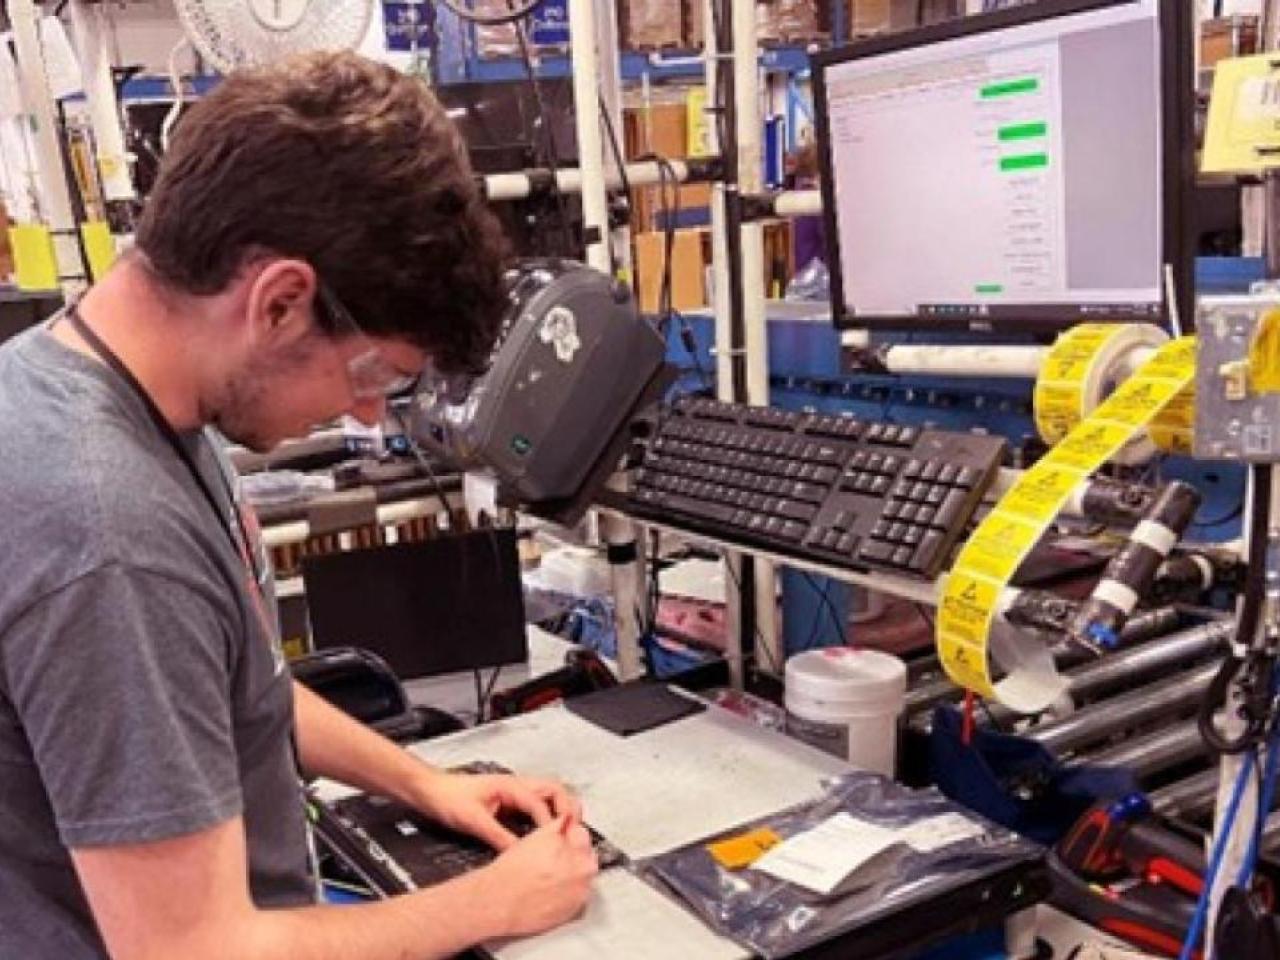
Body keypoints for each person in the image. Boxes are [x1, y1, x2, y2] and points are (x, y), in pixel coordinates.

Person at [0, 51, 598, 960]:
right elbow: (188, 952)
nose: (365, 414)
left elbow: (241, 686)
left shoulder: (109, 387)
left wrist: (426, 784)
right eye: (375, 377)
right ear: (280, 301)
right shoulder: (110, 530)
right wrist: (494, 904)